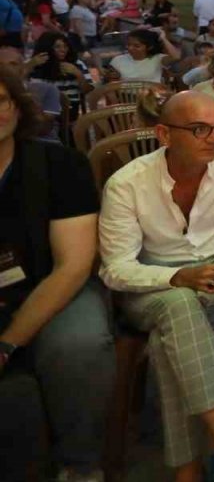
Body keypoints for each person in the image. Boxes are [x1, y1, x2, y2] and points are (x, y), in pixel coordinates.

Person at [98, 91, 214, 482]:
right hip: (149, 284)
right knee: (179, 304)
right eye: (200, 129)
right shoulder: (127, 184)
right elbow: (116, 270)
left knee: (172, 330)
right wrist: (176, 277)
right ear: (164, 134)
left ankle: (189, 466)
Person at [0, 67, 112, 481]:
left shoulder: (59, 164)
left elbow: (73, 266)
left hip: (52, 285)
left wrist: (8, 343)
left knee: (80, 342)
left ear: (15, 108)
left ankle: (81, 464)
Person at [108, 28, 180, 84]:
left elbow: (176, 56)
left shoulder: (158, 59)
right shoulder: (118, 60)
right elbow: (111, 84)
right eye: (128, 45)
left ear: (149, 47)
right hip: (126, 98)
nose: (130, 48)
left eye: (136, 46)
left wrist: (163, 38)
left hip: (152, 98)